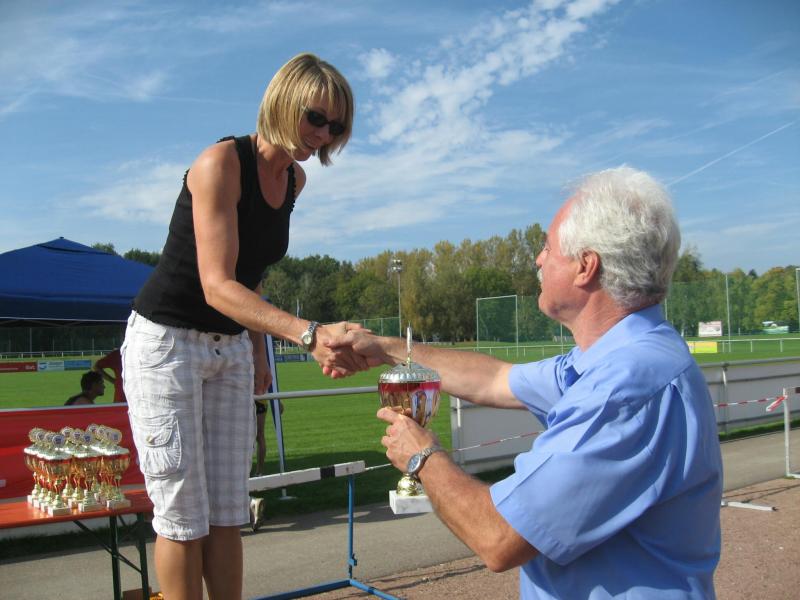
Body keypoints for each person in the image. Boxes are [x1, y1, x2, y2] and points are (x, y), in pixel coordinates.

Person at [328, 166, 723, 599]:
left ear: (586, 266)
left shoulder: (625, 387)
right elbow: (495, 380)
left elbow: (499, 537)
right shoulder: (613, 360)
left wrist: (422, 456)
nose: (537, 259)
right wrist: (385, 348)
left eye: (547, 247)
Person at [121, 53, 366, 600]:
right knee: (183, 515)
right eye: (315, 117)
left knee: (228, 510)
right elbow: (217, 285)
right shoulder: (220, 163)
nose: (323, 134)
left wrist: (258, 351)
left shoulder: (295, 179)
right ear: (282, 101)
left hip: (230, 346)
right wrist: (307, 333)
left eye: (336, 126)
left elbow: (250, 274)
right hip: (168, 342)